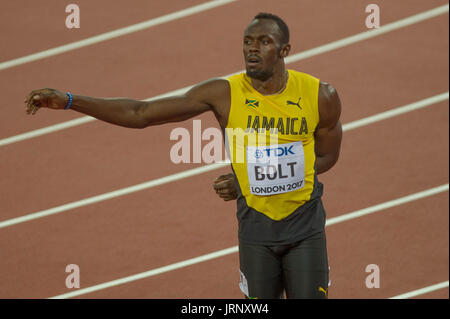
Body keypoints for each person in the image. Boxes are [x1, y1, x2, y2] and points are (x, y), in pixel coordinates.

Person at [25, 12, 342, 299]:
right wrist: (69, 100)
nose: (252, 49)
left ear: (285, 50)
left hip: (304, 227)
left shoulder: (319, 95)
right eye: (247, 42)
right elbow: (142, 112)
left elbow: (327, 157)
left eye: (264, 42)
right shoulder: (225, 92)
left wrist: (251, 178)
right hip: (256, 231)